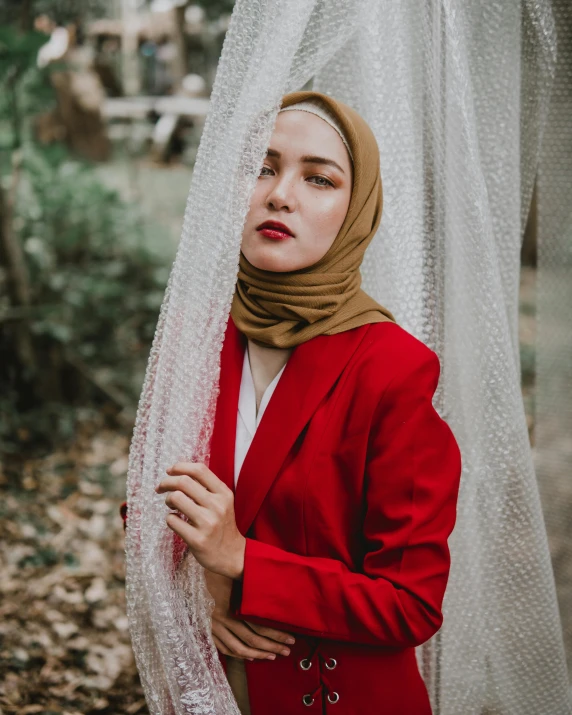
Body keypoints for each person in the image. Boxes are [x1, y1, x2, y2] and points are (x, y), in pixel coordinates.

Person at [125, 90, 462, 714]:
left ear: (356, 210)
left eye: (319, 178)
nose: (281, 194)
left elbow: (410, 604)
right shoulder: (195, 336)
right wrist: (204, 584)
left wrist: (243, 562)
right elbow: (149, 503)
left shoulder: (394, 370)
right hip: (202, 687)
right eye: (263, 167)